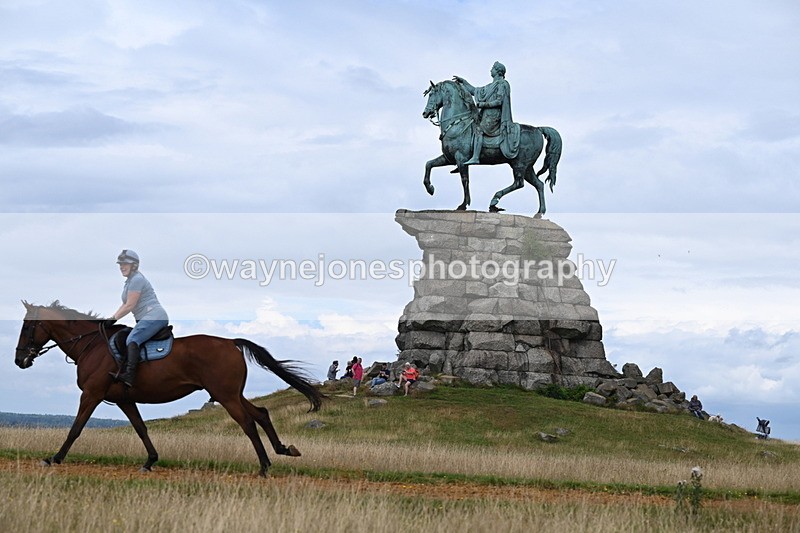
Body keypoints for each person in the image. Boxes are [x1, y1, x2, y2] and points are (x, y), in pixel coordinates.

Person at [108, 249, 169, 387]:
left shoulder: (137, 280)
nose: (122, 267)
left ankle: (129, 376)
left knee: (132, 339)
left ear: (134, 265)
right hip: (148, 317)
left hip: (155, 316)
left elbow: (129, 305)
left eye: (125, 264)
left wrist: (113, 320)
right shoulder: (130, 281)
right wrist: (111, 317)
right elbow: (124, 304)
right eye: (120, 264)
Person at [452, 61, 517, 165]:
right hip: (485, 115)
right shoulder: (490, 86)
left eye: (492, 68)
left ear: (498, 71)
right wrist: (463, 82)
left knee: (478, 130)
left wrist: (483, 105)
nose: (490, 70)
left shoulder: (502, 84)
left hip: (494, 116)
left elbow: (499, 101)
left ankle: (476, 157)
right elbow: (474, 91)